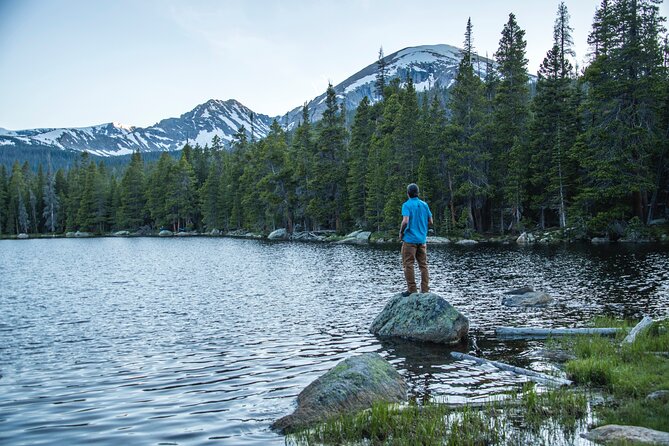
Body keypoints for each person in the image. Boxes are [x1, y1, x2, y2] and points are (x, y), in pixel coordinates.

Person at [398, 183, 433, 296]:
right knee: (423, 265)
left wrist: (401, 232)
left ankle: (412, 290)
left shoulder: (407, 205)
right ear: (417, 193)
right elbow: (430, 221)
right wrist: (422, 228)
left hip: (409, 240)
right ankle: (425, 290)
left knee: (408, 264)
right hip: (422, 240)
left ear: (408, 193)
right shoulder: (424, 204)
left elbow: (405, 221)